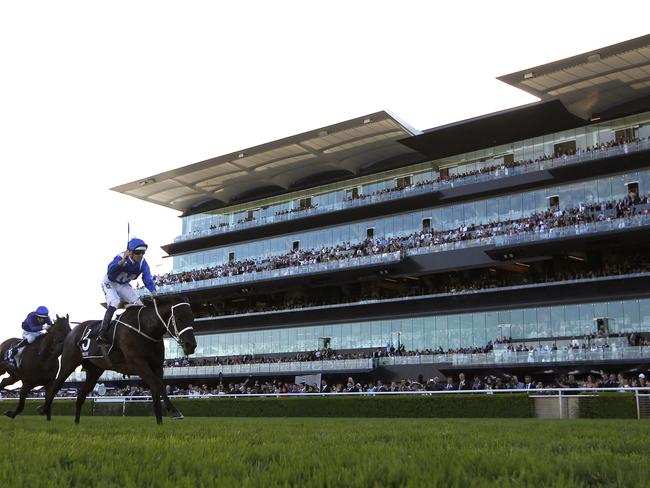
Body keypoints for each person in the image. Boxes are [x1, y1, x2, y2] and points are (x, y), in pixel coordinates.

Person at [96, 237, 157, 344]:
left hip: (123, 284)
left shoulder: (143, 263)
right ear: (130, 252)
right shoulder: (121, 257)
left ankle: (138, 331)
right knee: (115, 301)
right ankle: (102, 333)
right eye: (138, 252)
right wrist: (122, 261)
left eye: (143, 252)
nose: (141, 255)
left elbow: (147, 277)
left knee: (139, 304)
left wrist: (153, 291)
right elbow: (110, 272)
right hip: (109, 282)